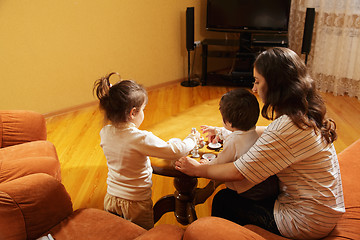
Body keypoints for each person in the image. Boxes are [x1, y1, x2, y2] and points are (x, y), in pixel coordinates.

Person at [175, 47, 345, 239]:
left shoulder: (285, 127)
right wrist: (224, 131)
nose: (254, 89)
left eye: (257, 81)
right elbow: (266, 133)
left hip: (306, 221)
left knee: (224, 200)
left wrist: (197, 169)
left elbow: (238, 171)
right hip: (327, 209)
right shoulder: (305, 112)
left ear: (275, 84)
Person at [94, 72, 199, 230]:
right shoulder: (140, 138)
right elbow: (175, 151)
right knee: (142, 234)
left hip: (111, 198)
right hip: (136, 203)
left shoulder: (105, 132)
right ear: (133, 113)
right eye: (143, 109)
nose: (144, 113)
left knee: (117, 232)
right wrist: (192, 139)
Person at [200, 88, 278, 201]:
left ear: (229, 122)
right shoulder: (254, 132)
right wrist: (217, 131)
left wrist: (207, 164)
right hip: (265, 183)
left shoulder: (233, 141)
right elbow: (237, 135)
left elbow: (220, 163)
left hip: (249, 192)